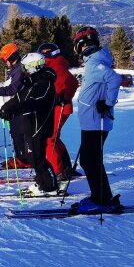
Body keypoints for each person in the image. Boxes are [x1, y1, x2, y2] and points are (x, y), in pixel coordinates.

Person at [72, 26, 123, 212]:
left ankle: (100, 199)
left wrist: (108, 103)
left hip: (96, 121)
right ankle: (102, 197)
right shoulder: (95, 61)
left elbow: (115, 79)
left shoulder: (95, 64)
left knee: (89, 160)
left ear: (81, 45)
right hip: (92, 121)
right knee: (91, 159)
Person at [0, 53, 58, 196]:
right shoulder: (32, 82)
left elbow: (33, 103)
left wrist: (13, 110)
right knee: (33, 157)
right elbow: (19, 98)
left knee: (37, 157)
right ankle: (42, 182)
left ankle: (49, 187)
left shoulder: (44, 83)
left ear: (34, 67)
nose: (24, 71)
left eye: (25, 68)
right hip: (30, 124)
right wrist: (6, 107)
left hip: (40, 124)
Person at [38, 42, 81, 180]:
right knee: (54, 138)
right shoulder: (56, 64)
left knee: (49, 139)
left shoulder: (54, 65)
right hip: (59, 106)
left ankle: (58, 172)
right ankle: (66, 167)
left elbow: (72, 82)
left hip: (59, 107)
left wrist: (64, 96)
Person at [0, 43, 29, 169]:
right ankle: (20, 157)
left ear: (11, 57)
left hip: (19, 107)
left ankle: (24, 159)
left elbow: (12, 89)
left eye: (5, 60)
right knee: (15, 134)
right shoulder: (16, 69)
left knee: (19, 134)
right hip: (14, 107)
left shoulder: (19, 70)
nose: (5, 63)